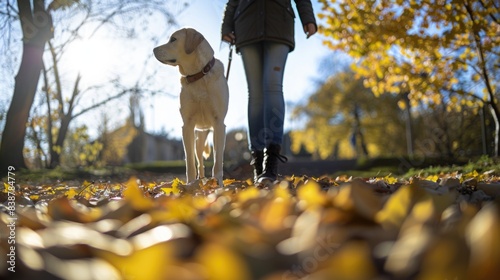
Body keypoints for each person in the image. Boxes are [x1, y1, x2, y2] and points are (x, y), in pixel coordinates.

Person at [221, 0, 317, 183]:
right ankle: (258, 163)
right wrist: (226, 26)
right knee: (255, 95)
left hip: (278, 24)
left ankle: (271, 161)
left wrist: (308, 17)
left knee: (273, 88)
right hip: (246, 26)